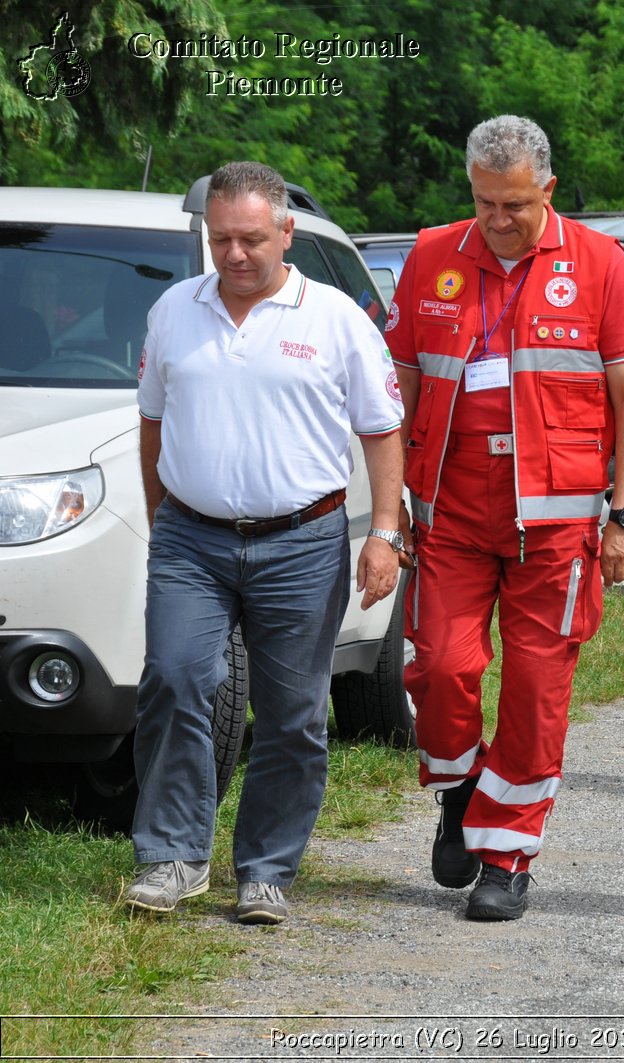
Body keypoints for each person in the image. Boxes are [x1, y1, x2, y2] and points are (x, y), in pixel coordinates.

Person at [125, 161, 405, 925]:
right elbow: (152, 424)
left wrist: (383, 533)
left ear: (286, 232)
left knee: (293, 713)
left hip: (304, 542)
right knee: (177, 680)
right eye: (221, 239)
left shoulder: (337, 317)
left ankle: (267, 868)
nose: (236, 254)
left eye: (252, 238)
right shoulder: (174, 311)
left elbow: (381, 431)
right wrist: (164, 524)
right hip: (192, 540)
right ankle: (174, 855)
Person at [388, 115, 624, 921]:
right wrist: (392, 507)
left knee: (537, 690)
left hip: (558, 525)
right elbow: (394, 392)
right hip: (453, 515)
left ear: (548, 189)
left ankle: (507, 853)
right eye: (484, 203)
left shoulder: (600, 263)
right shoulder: (433, 255)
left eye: (514, 205)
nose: (497, 221)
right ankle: (461, 788)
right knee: (440, 667)